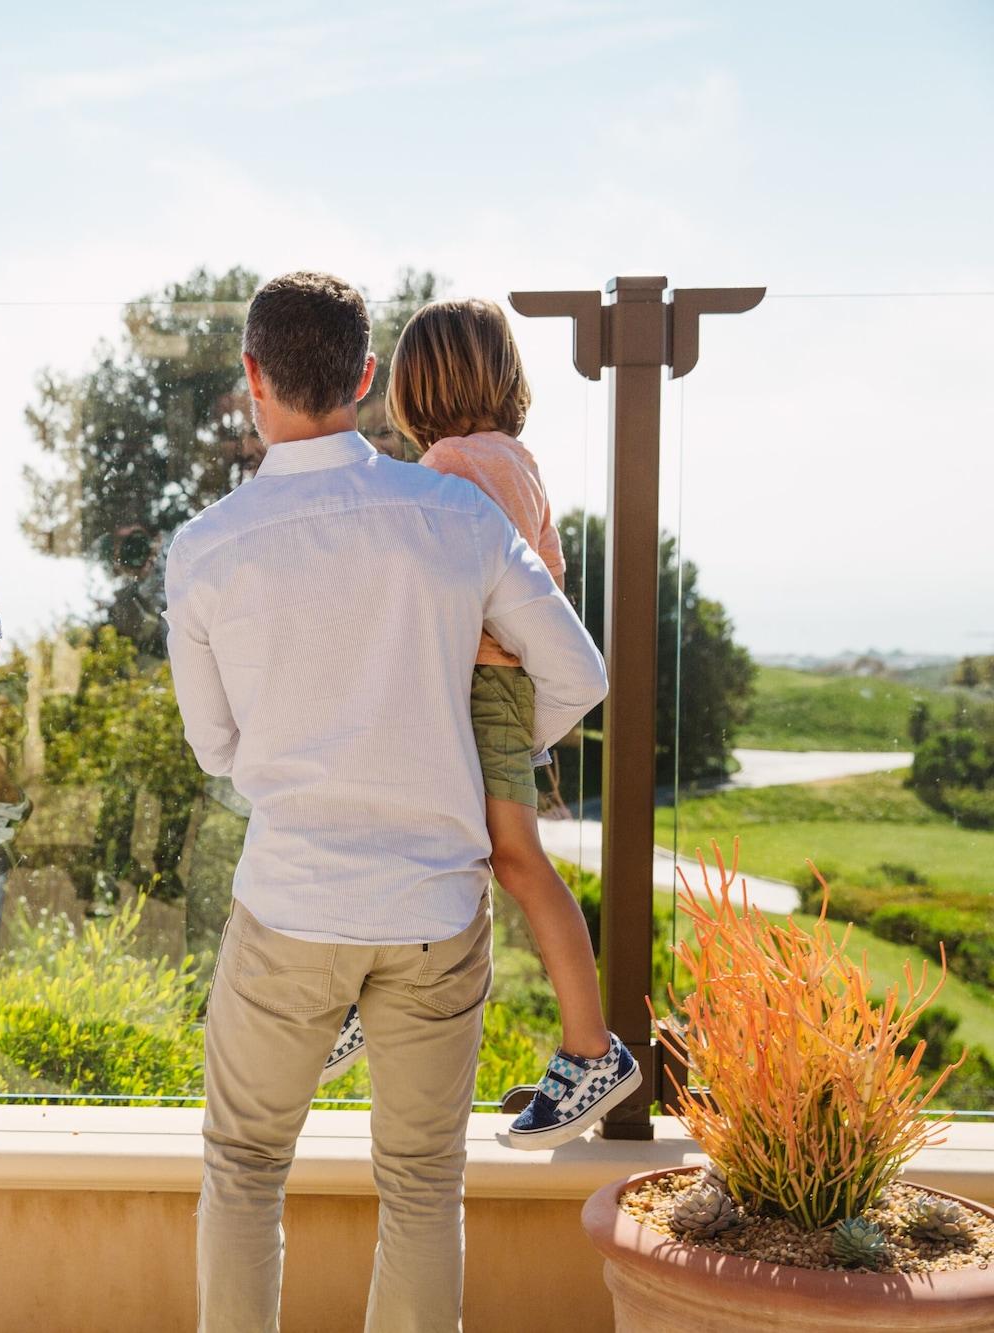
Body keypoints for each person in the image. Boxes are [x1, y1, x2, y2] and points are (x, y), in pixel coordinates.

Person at [165, 273, 608, 1332]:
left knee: (242, 1166)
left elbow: (216, 746)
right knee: (419, 1185)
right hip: (432, 920)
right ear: (365, 379)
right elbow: (576, 675)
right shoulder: (453, 512)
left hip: (287, 910)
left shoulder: (204, 549)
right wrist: (467, 755)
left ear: (251, 379)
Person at [320, 297, 640, 1149]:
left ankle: (592, 1049)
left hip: (474, 692)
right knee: (464, 850)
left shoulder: (455, 464)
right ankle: (366, 1006)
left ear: (419, 385)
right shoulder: (517, 458)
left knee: (501, 856)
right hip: (492, 691)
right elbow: (541, 579)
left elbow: (453, 581)